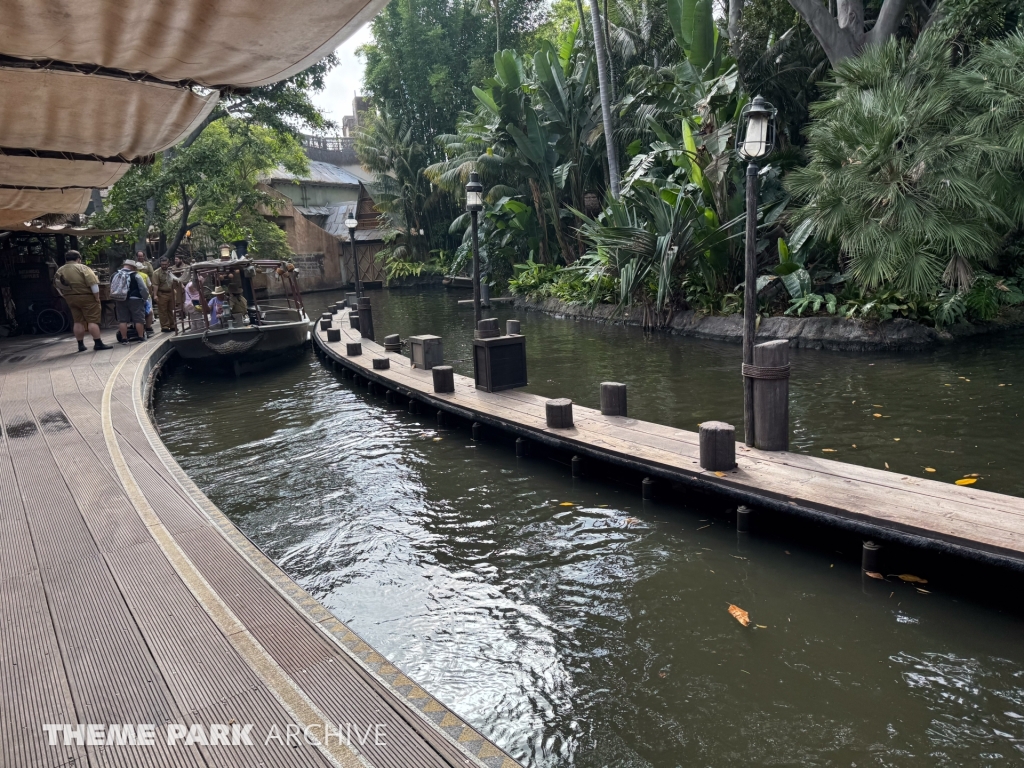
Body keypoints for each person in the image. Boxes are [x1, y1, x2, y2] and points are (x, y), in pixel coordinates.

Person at [53, 251, 112, 351]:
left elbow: (57, 285)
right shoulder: (83, 268)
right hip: (87, 297)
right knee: (92, 320)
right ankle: (98, 343)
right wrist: (97, 297)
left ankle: (81, 345)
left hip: (70, 298)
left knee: (77, 321)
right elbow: (93, 284)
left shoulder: (60, 270)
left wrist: (64, 295)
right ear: (78, 259)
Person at [114, 259, 148, 344]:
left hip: (120, 299)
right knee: (138, 319)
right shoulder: (136, 275)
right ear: (132, 267)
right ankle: (140, 337)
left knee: (122, 320)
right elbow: (143, 288)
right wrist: (145, 298)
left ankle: (124, 339)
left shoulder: (115, 275)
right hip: (135, 299)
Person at [151, 256, 178, 333]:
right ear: (160, 264)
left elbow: (175, 280)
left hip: (171, 292)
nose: (164, 266)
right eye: (162, 264)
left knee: (171, 310)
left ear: (168, 264)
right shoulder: (156, 273)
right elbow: (155, 285)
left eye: (165, 264)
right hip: (162, 293)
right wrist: (155, 295)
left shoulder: (171, 271)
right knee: (163, 310)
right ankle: (165, 326)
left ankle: (172, 325)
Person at [135, 250, 156, 332]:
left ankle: (150, 321)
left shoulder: (148, 265)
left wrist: (152, 289)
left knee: (149, 307)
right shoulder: (135, 265)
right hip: (140, 292)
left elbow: (152, 275)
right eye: (139, 256)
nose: (140, 257)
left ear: (144, 256)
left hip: (147, 287)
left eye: (141, 256)